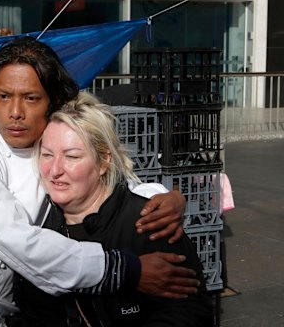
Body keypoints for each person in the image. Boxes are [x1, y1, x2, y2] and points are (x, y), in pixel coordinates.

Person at [0, 36, 196, 327]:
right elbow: (8, 234)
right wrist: (126, 269)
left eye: (30, 98)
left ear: (52, 102)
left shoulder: (44, 140)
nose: (15, 113)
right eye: (4, 97)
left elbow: (110, 175)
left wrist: (161, 197)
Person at [11, 92, 213, 327]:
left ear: (104, 161)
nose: (55, 170)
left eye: (72, 156)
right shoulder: (34, 223)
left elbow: (187, 314)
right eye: (46, 155)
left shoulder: (152, 223)